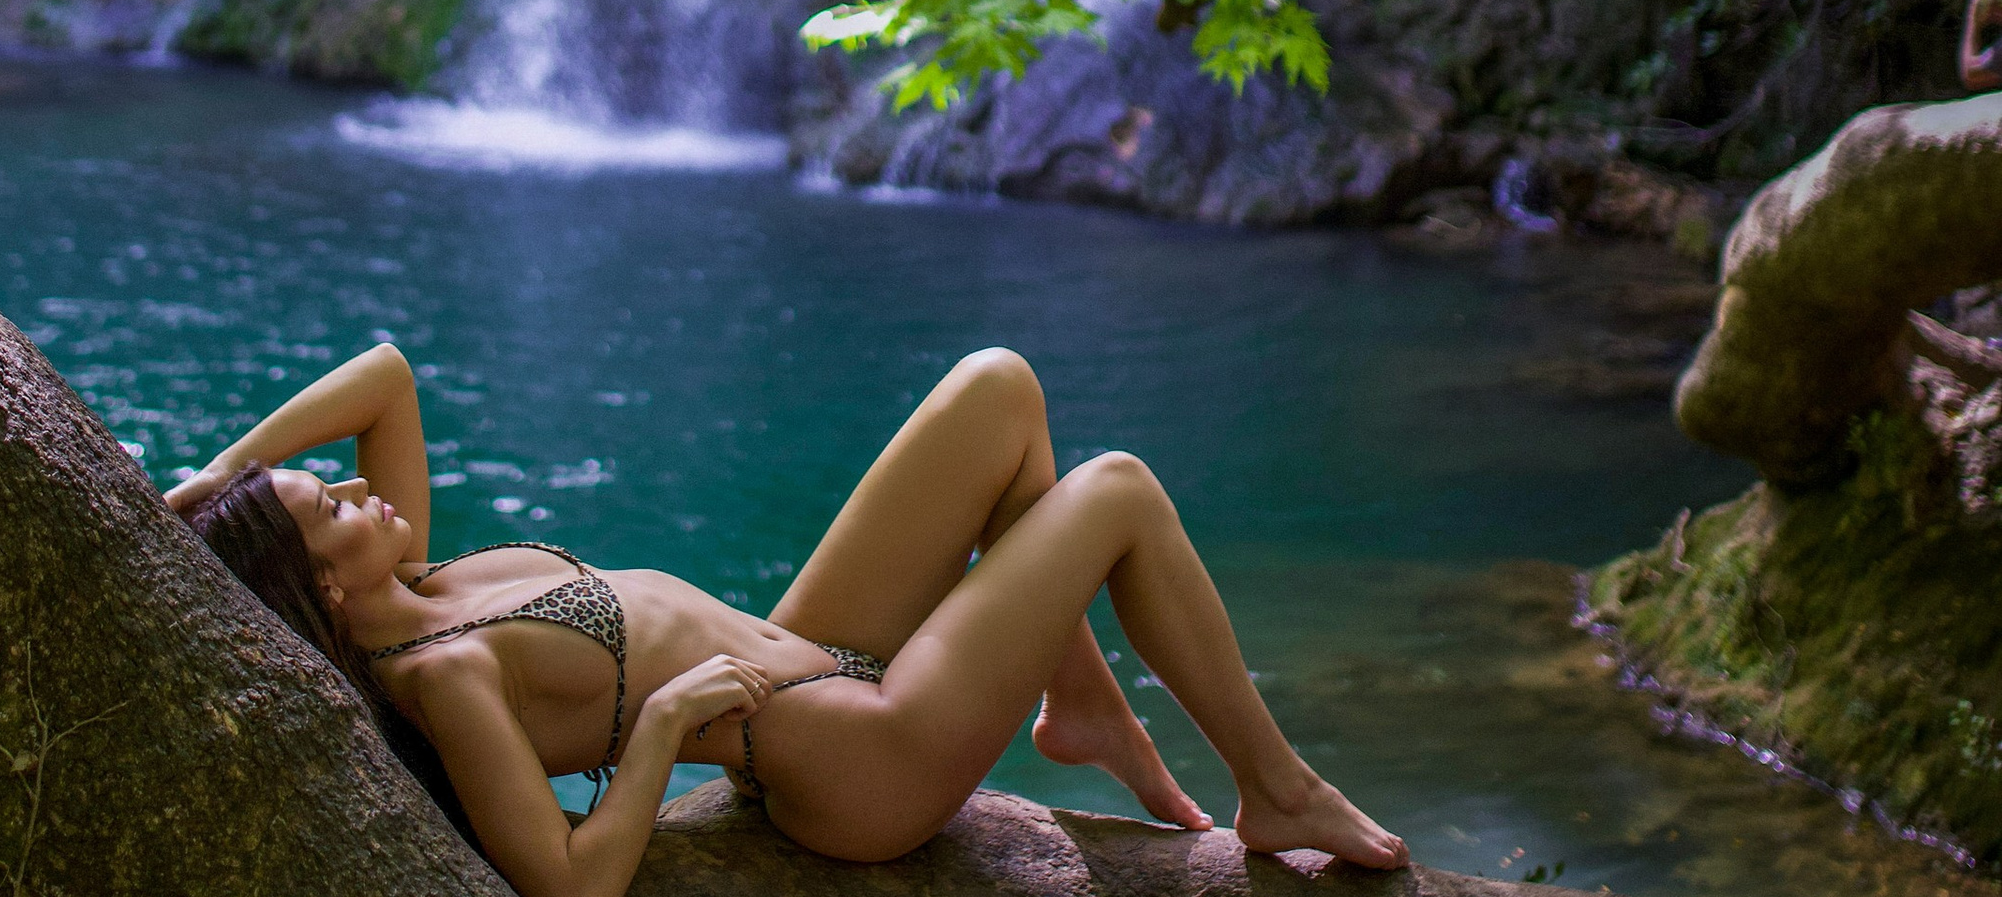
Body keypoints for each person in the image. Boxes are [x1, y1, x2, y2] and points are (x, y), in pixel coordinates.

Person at [164, 342, 1407, 897]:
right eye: (330, 502)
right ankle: (1275, 786)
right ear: (326, 588)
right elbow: (564, 883)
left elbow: (382, 374)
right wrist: (656, 730)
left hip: (812, 649)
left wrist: (218, 483)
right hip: (854, 761)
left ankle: (1076, 700)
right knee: (1117, 487)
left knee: (997, 386)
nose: (360, 485)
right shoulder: (443, 678)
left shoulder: (421, 580)